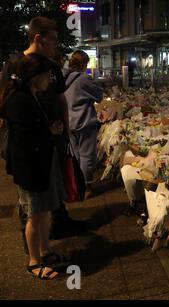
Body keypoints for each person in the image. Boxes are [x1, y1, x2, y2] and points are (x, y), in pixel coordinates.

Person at [0, 17, 86, 249]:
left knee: (53, 180)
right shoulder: (15, 66)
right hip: (27, 139)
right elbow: (7, 103)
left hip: (54, 136)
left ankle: (59, 222)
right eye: (53, 40)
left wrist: (65, 132)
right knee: (30, 191)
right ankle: (32, 243)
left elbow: (61, 100)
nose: (56, 45)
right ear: (39, 38)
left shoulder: (52, 66)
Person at [0, 54, 67, 279]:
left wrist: (49, 130)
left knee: (44, 211)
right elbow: (24, 137)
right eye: (47, 74)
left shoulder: (32, 95)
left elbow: (32, 129)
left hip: (40, 162)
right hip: (30, 167)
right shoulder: (19, 100)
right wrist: (49, 131)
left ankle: (45, 251)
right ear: (35, 76)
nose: (50, 78)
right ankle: (34, 261)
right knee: (34, 214)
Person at [63, 51, 103, 199]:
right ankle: (87, 186)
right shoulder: (83, 79)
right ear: (83, 63)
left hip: (69, 121)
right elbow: (99, 95)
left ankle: (76, 185)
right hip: (84, 122)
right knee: (87, 156)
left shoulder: (64, 77)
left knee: (76, 155)